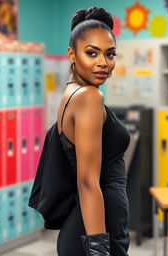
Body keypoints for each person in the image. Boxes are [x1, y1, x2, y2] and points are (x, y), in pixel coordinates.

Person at [56, 7, 131, 256]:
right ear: (72, 55)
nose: (103, 63)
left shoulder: (71, 93)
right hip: (96, 233)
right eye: (92, 53)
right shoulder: (89, 97)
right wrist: (99, 250)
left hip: (92, 227)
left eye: (110, 54)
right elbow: (88, 182)